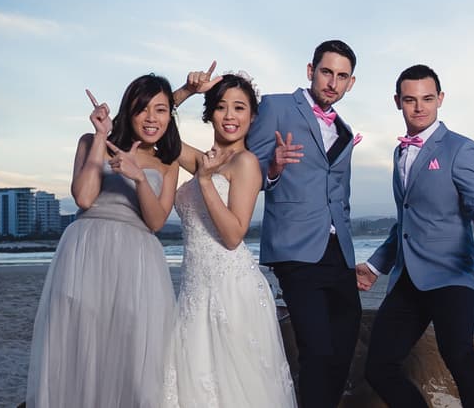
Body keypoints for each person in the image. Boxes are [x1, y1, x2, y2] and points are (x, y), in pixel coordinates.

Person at [357, 64, 474, 407]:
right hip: (409, 276)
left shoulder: (460, 148)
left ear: (440, 99)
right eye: (410, 100)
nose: (419, 107)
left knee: (459, 356)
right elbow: (407, 222)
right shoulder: (399, 154)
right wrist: (375, 265)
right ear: (398, 102)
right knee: (379, 367)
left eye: (427, 98)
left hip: (452, 272)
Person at [26, 74, 180, 408]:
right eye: (143, 109)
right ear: (130, 109)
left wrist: (138, 177)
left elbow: (155, 221)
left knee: (133, 349)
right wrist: (100, 136)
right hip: (86, 250)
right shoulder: (89, 141)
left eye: (162, 110)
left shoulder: (168, 163)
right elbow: (83, 197)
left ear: (171, 116)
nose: (152, 118)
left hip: (138, 259)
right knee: (79, 344)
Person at [161, 66, 297, 407]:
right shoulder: (202, 159)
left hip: (232, 292)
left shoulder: (246, 163)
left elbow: (234, 234)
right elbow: (155, 128)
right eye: (221, 106)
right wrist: (187, 91)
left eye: (239, 107)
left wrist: (205, 182)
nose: (229, 115)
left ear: (252, 117)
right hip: (194, 291)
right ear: (210, 113)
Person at [246, 40, 362, 407]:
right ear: (311, 71)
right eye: (327, 72)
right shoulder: (276, 107)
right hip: (295, 248)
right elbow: (250, 171)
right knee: (316, 349)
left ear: (351, 83)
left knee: (344, 345)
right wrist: (274, 167)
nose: (333, 82)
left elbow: (340, 194)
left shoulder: (344, 130)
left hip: (337, 251)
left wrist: (348, 247)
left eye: (342, 76)